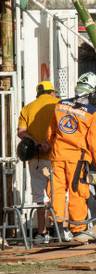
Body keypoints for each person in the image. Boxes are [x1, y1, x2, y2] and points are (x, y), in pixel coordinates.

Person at [48, 72, 96, 240]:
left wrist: (55, 148)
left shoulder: (59, 105)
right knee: (77, 192)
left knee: (56, 191)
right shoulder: (92, 113)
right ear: (92, 91)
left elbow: (50, 133)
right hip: (77, 160)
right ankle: (78, 229)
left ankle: (57, 226)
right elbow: (94, 143)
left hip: (57, 156)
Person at [17, 81, 59, 243]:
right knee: (59, 193)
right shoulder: (59, 105)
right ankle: (60, 229)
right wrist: (48, 143)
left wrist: (36, 143)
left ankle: (42, 233)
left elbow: (21, 132)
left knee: (39, 197)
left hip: (35, 158)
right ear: (52, 92)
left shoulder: (27, 108)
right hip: (55, 157)